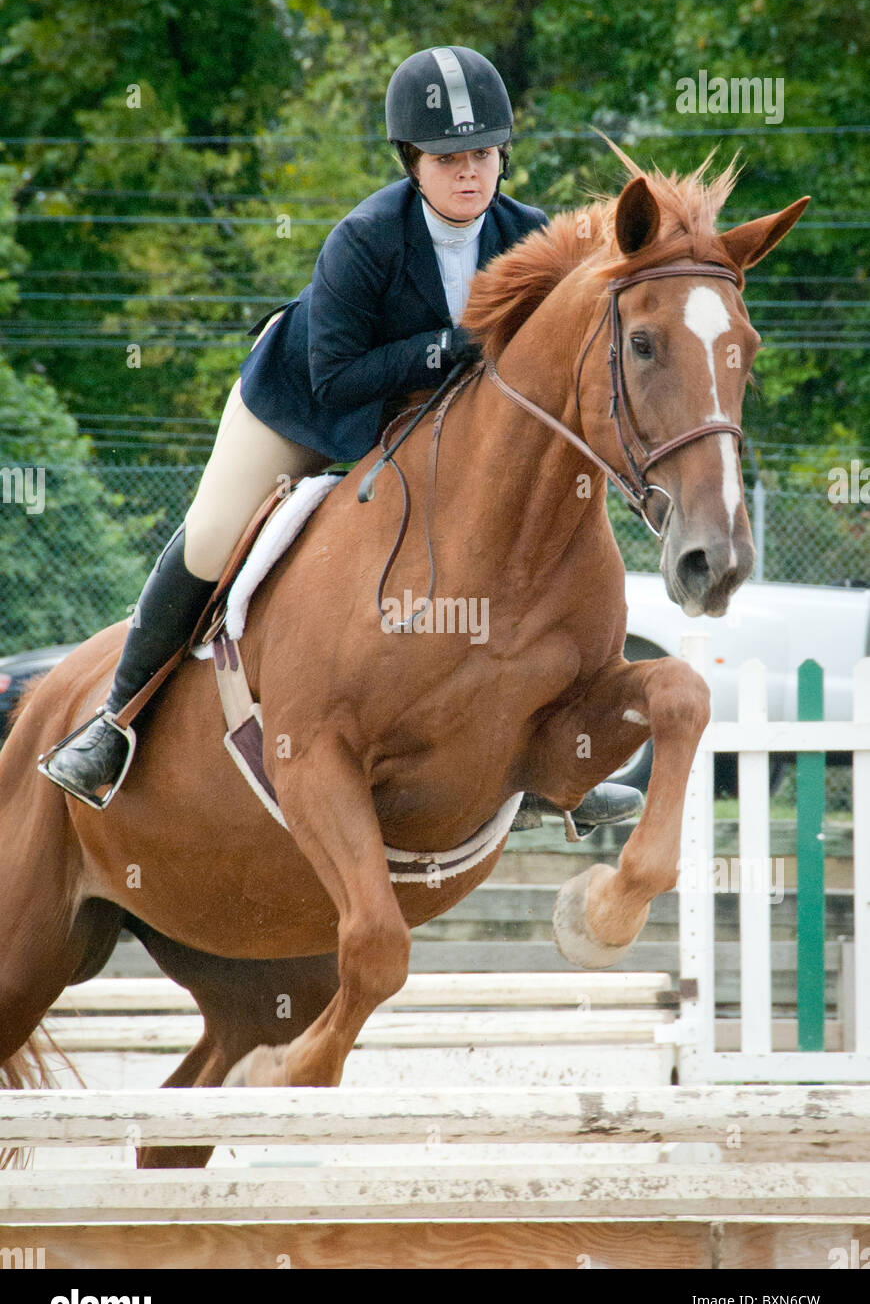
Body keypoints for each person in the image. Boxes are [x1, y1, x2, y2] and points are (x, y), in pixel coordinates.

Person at [42, 45, 641, 827]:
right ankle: (114, 721)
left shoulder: (531, 236)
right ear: (411, 161)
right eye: (449, 157)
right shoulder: (365, 238)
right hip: (305, 403)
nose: (471, 173)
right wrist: (449, 344)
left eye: (486, 154)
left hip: (429, 425)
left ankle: (552, 769)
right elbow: (337, 379)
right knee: (216, 535)